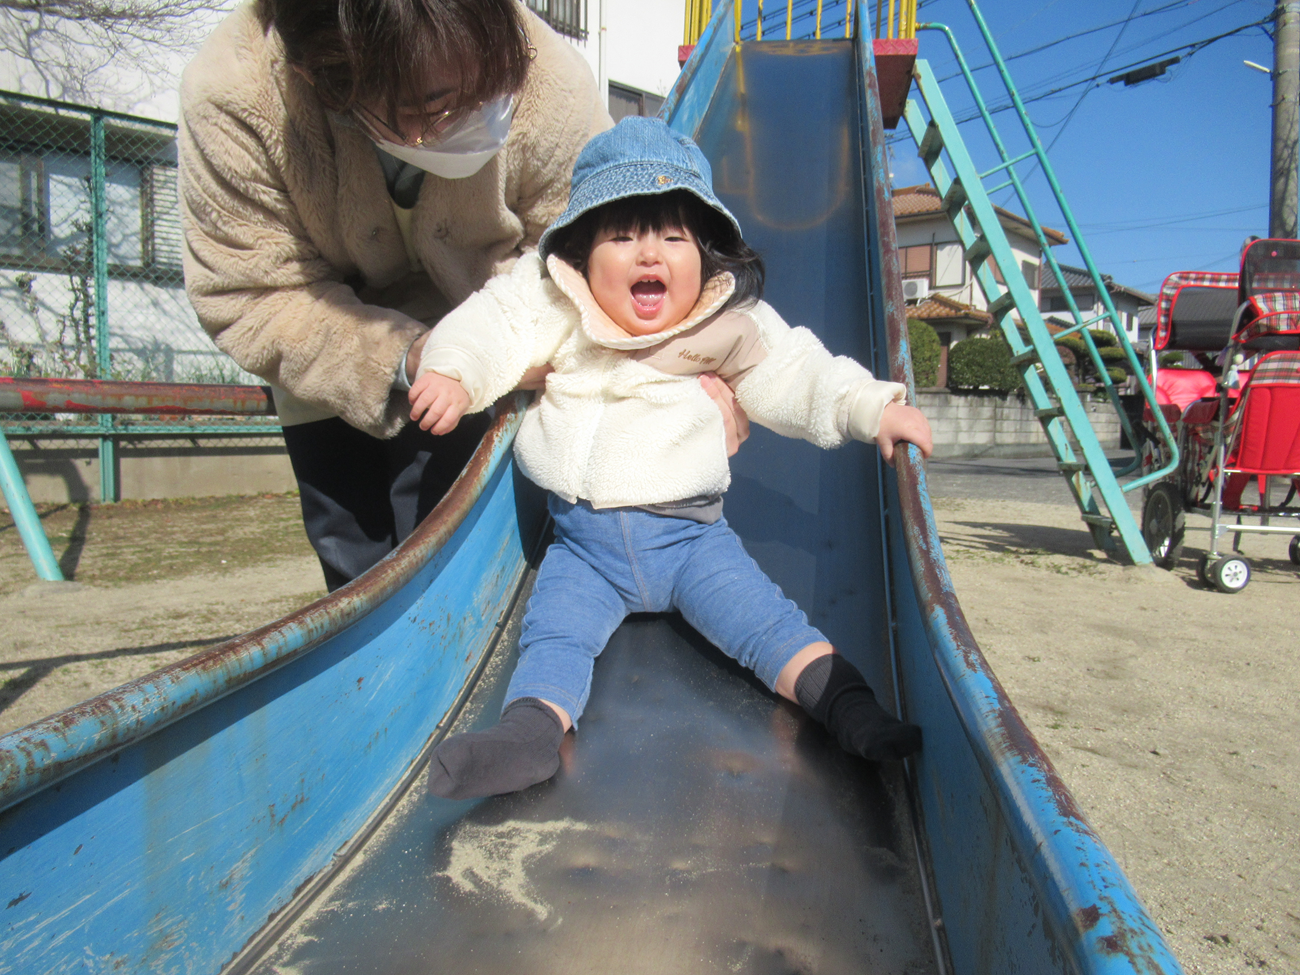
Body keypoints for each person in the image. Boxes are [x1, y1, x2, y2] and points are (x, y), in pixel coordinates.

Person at [407, 117, 934, 800]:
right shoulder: (560, 310)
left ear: (705, 253)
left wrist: (871, 408)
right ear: (581, 255)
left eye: (672, 237)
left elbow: (801, 370)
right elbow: (494, 324)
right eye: (621, 236)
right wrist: (452, 370)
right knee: (553, 636)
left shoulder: (726, 323)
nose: (648, 254)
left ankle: (848, 706)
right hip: (582, 546)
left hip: (690, 541)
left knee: (766, 625)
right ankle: (530, 733)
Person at [177, 0, 617, 590]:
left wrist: (503, 344)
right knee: (355, 567)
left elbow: (591, 245)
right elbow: (253, 290)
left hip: (487, 345)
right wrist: (405, 359)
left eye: (487, 90)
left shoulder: (549, 78)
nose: (475, 115)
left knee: (460, 556)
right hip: (326, 352)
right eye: (432, 106)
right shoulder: (235, 93)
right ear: (324, 80)